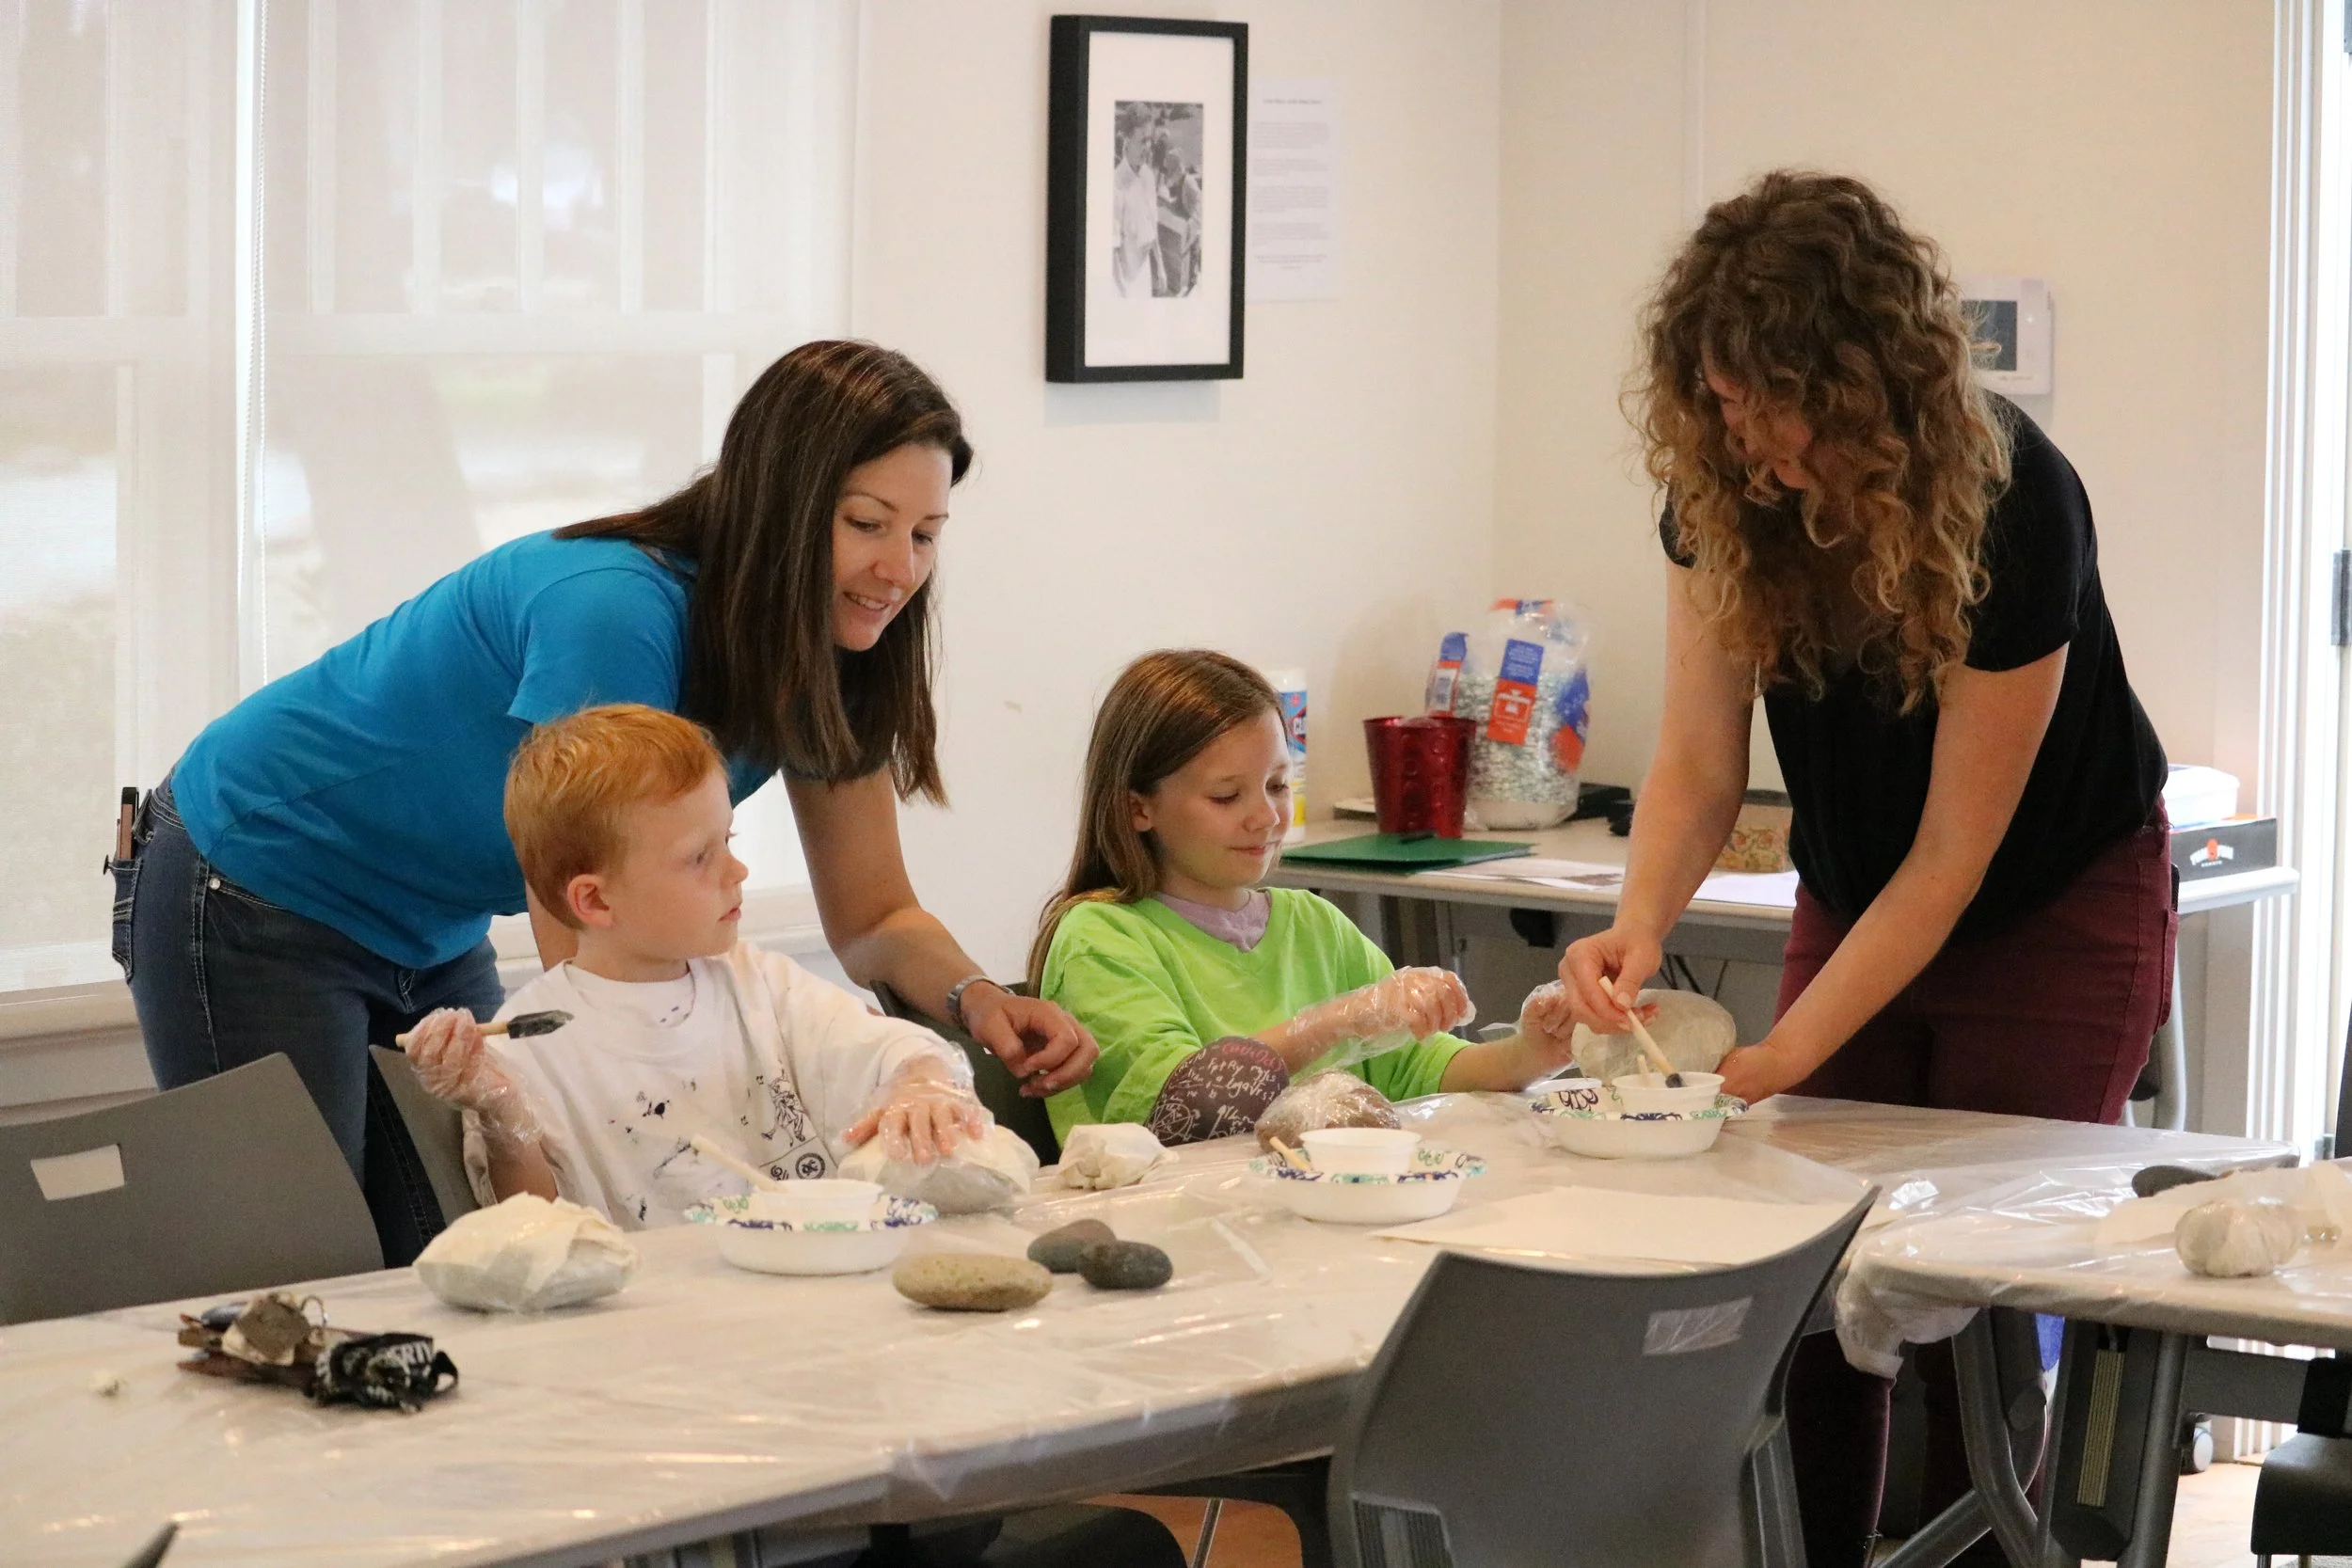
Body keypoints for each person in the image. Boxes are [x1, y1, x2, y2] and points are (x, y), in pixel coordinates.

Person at [119, 340, 1096, 1264]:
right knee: (311, 1262)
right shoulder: (617, 608)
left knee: (445, 1248)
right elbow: (595, 953)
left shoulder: (833, 652)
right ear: (781, 504)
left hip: (432, 915)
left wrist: (983, 999)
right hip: (259, 870)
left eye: (925, 534)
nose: (900, 568)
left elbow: (877, 914)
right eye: (866, 522)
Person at [1554, 170, 2172, 1568]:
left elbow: (1956, 861)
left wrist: (1782, 1051)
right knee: (1810, 1263)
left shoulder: (2015, 501)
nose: (1739, 433)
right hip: (1862, 876)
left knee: (1978, 1276)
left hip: (2055, 896)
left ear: (1864, 378)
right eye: (1713, 398)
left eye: (1768, 400)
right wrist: (1636, 924)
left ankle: (1988, 1546)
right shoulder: (1719, 492)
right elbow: (1702, 766)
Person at [402, 705, 985, 1229]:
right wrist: (503, 1112)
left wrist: (920, 1083)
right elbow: (533, 1230)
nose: (737, 872)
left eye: (727, 840)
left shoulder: (760, 984)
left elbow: (895, 1051)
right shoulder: (531, 1043)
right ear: (597, 901)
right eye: (700, 857)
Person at [1033, 650, 1581, 1146]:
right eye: (1227, 796)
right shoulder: (1100, 936)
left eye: (1277, 785)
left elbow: (1419, 1067)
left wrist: (1531, 1052)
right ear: (1138, 808)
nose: (1267, 817)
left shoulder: (1313, 922)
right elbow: (1181, 1110)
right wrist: (1331, 1022)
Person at [1113, 126, 1159, 298]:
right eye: (1142, 141)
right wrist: (1121, 289)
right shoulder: (1115, 183)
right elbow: (1112, 246)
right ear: (1127, 143)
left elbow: (1153, 225)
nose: (1148, 147)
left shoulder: (1148, 175)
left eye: (1150, 141)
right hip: (1125, 281)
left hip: (1145, 272)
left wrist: (1160, 267)